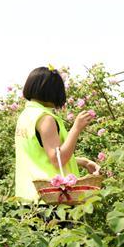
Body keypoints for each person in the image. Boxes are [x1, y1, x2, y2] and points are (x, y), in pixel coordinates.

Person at [14, 67, 101, 206]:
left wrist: (83, 162)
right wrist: (76, 128)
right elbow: (56, 159)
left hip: (28, 198)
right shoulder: (45, 118)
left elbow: (41, 156)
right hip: (51, 200)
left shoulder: (26, 116)